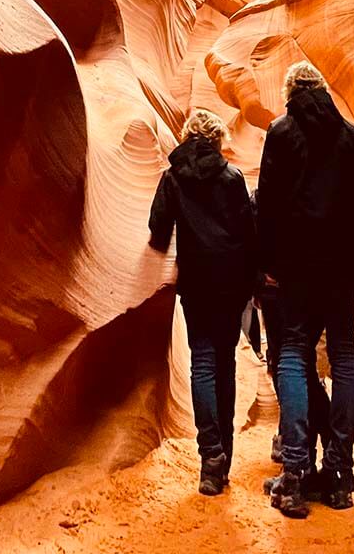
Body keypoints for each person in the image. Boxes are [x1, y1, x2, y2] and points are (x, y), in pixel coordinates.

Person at [257, 62, 354, 519]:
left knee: (293, 352)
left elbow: (268, 205)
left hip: (297, 268)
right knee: (344, 357)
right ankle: (339, 475)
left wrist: (268, 265)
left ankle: (295, 473)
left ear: (289, 93)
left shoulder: (281, 132)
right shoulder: (351, 137)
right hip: (340, 268)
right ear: (323, 91)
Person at [148, 109, 256, 496]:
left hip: (196, 283)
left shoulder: (173, 178)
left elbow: (158, 230)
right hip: (230, 284)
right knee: (224, 364)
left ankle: (210, 458)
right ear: (216, 139)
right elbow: (248, 233)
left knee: (203, 364)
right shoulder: (231, 177)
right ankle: (223, 454)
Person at [251, 189, 331, 471]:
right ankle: (327, 449)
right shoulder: (311, 191)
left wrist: (259, 279)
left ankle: (297, 448)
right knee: (302, 365)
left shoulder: (261, 197)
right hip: (309, 289)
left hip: (277, 293)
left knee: (287, 363)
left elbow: (249, 243)